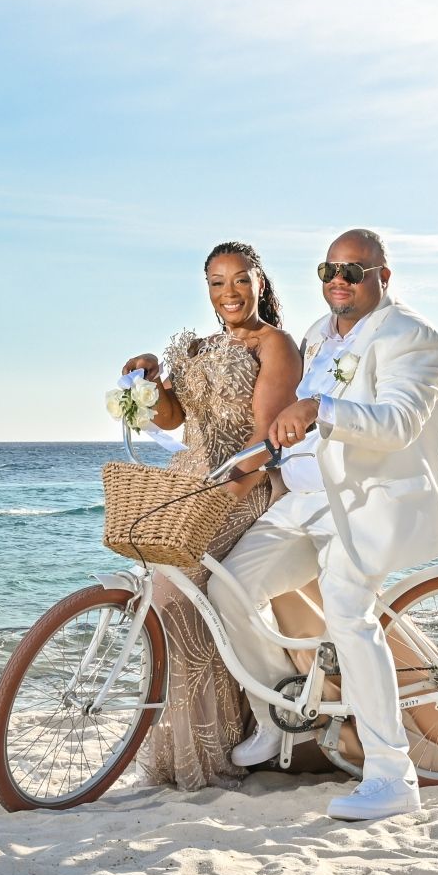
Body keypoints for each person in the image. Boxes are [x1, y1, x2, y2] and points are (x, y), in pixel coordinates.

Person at [211, 228, 438, 820]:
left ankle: (394, 776)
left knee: (347, 612)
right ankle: (277, 719)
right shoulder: (317, 335)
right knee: (225, 590)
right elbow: (290, 429)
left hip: (366, 505)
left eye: (354, 271)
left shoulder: (416, 339)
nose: (339, 280)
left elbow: (398, 423)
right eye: (329, 269)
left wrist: (319, 409)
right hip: (304, 501)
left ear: (383, 277)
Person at [120, 241, 302, 790]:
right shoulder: (196, 347)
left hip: (240, 485)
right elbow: (175, 419)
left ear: (261, 284)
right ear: (207, 290)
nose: (230, 293)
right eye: (218, 283)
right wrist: (150, 380)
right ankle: (190, 748)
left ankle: (222, 744)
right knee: (168, 601)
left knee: (180, 596)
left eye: (241, 280)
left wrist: (227, 491)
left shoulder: (276, 346)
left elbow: (264, 437)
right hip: (188, 479)